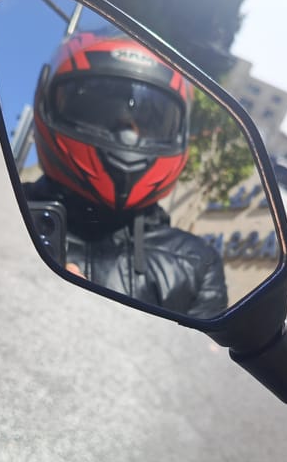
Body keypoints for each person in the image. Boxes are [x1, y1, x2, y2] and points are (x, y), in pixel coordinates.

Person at [23, 30, 228, 319]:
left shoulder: (197, 264)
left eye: (149, 119)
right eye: (99, 108)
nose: (128, 136)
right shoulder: (8, 210)